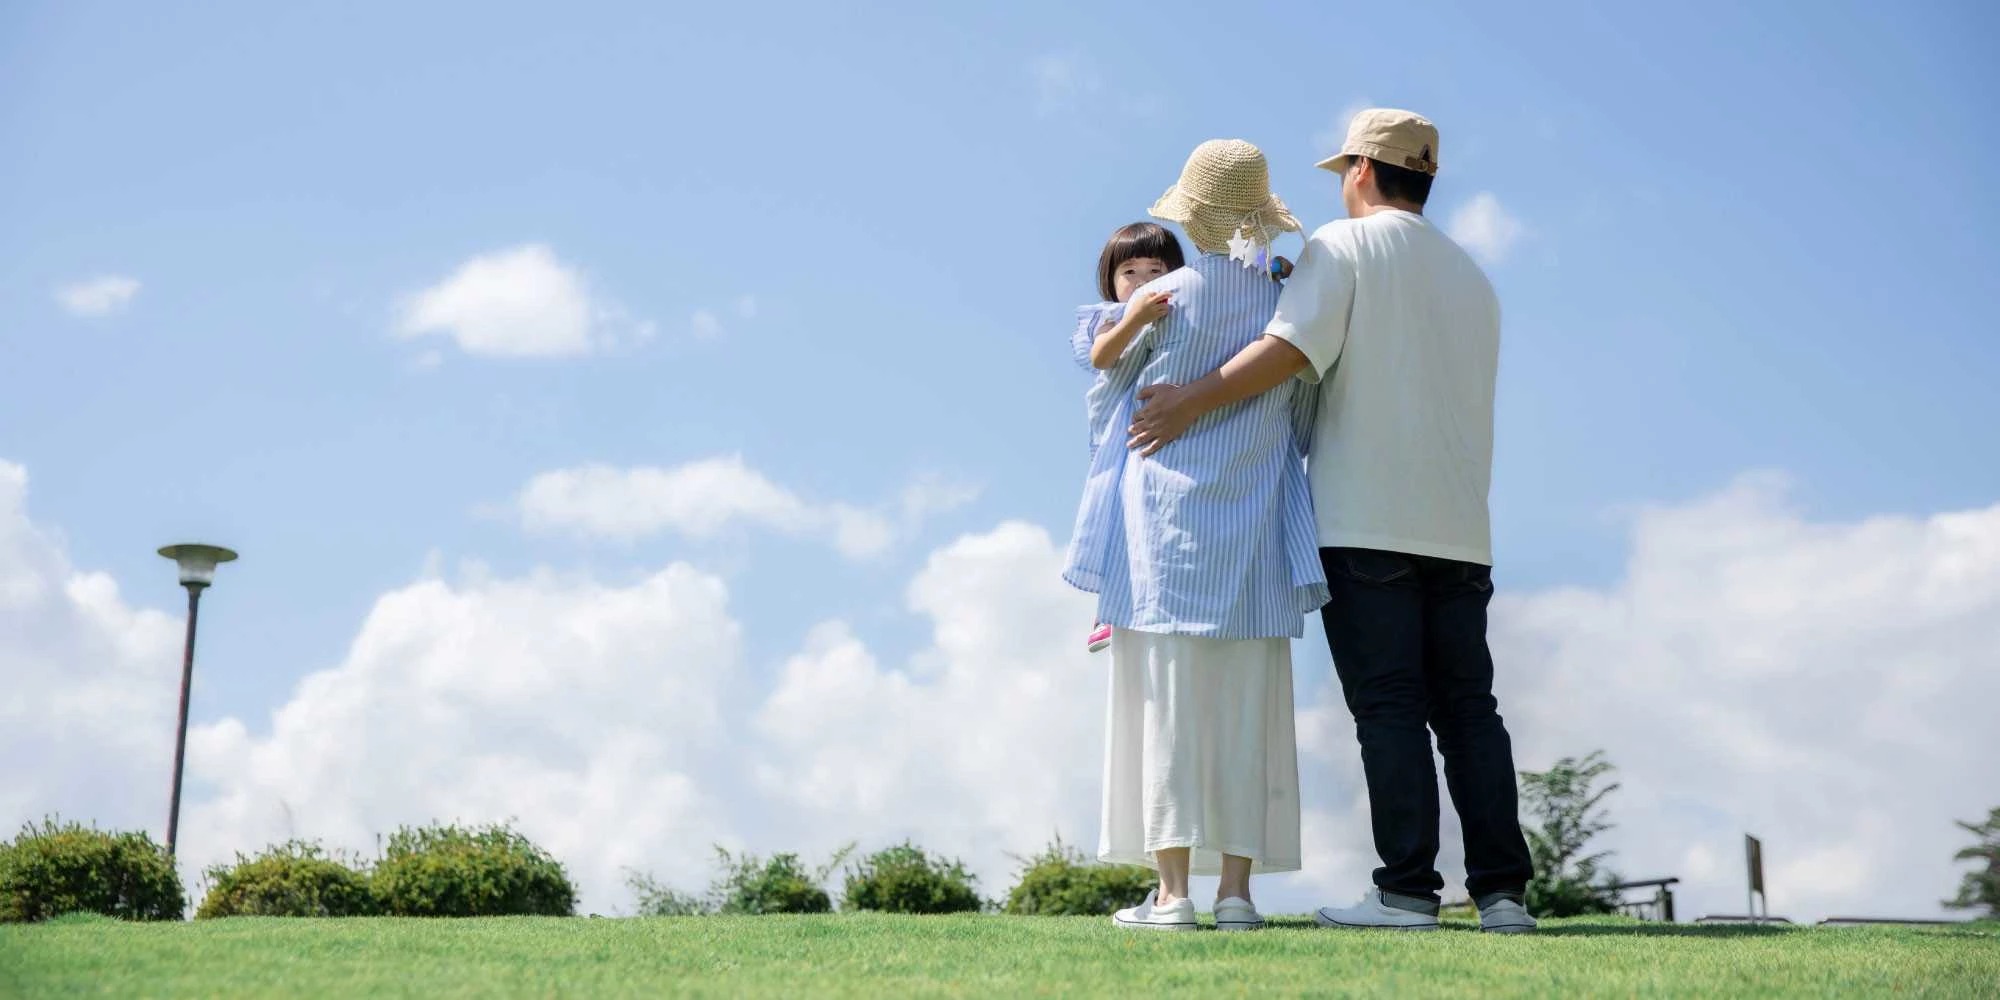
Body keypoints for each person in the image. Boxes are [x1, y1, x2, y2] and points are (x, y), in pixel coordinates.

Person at [1125, 110, 1539, 934]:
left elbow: (1287, 349)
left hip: (1365, 518)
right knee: (1469, 712)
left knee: (1387, 706)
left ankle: (1407, 893)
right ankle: (1503, 897)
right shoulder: (1473, 275)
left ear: (1358, 170)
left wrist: (1184, 403)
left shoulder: (1341, 248)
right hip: (1462, 528)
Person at [1062, 139, 1327, 931]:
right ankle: (1238, 894)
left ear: (1193, 211)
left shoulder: (1166, 293)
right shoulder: (1288, 296)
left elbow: (1100, 367)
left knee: (1166, 706)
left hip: (1163, 535)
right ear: (1258, 213)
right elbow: (1309, 404)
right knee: (1249, 707)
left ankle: (1172, 895)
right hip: (1255, 524)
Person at [1070, 222, 1186, 653]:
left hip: (1157, 423)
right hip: (1120, 430)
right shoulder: (1111, 316)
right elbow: (1103, 357)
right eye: (1130, 273)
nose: (1143, 283)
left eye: (1156, 271)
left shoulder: (1181, 305)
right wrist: (1135, 318)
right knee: (1114, 515)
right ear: (1112, 279)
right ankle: (1108, 608)